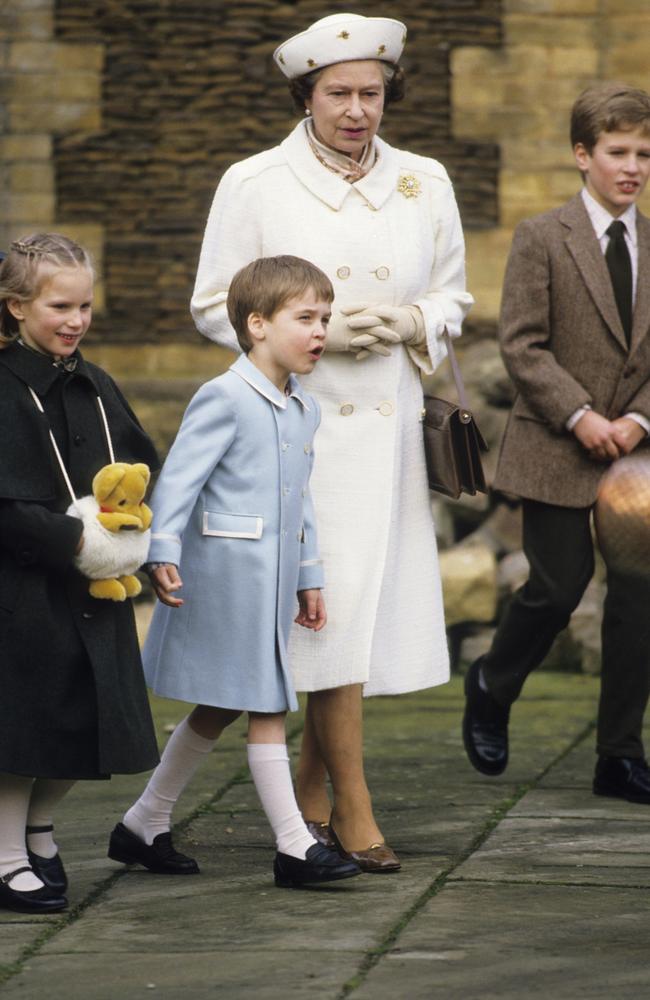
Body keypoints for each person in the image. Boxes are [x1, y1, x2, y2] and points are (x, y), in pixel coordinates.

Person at [190, 13, 473, 871]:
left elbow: (456, 297)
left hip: (384, 430)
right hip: (294, 430)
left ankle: (311, 793)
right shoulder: (255, 182)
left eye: (372, 94)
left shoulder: (424, 180)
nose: (357, 110)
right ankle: (353, 805)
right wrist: (311, 333)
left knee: (351, 620)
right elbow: (213, 306)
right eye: (339, 94)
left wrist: (413, 319)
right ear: (305, 96)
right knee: (325, 615)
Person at [109, 255, 362, 888]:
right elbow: (180, 482)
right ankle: (294, 845)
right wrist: (160, 552)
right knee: (268, 704)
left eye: (325, 319)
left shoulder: (303, 408)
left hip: (272, 586)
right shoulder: (222, 396)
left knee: (220, 707)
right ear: (256, 325)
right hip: (224, 578)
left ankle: (144, 822)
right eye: (304, 318)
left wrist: (310, 574)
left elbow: (300, 498)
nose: (319, 332)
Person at [463, 82, 650, 801]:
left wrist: (636, 420)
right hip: (557, 444)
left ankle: (620, 755)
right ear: (583, 155)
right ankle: (492, 682)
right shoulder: (542, 237)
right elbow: (522, 345)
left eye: (642, 153)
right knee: (559, 585)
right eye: (616, 152)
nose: (631, 167)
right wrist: (582, 416)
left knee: (637, 598)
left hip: (635, 452)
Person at [0, 233, 160, 914]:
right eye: (60, 306)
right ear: (15, 306)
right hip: (24, 587)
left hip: (98, 592)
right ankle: (6, 857)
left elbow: (140, 468)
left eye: (86, 306)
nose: (76, 320)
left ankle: (40, 829)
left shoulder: (96, 383)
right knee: (24, 730)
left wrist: (140, 536)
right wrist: (74, 539)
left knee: (93, 718)